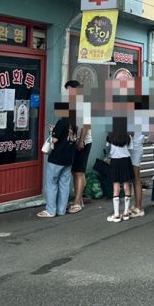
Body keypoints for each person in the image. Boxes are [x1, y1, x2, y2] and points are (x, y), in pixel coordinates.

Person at [38, 103, 77, 218]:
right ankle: (61, 210)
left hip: (57, 159)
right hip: (68, 159)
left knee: (51, 184)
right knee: (64, 184)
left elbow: (54, 140)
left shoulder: (61, 123)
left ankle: (50, 210)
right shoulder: (74, 125)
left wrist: (52, 131)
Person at [65, 80, 92, 214]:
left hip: (84, 142)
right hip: (74, 143)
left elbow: (86, 125)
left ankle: (77, 202)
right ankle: (78, 198)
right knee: (74, 171)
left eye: (70, 89)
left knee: (79, 172)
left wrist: (81, 141)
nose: (68, 92)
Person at [106, 116, 134, 223]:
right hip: (126, 161)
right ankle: (126, 213)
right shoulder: (128, 137)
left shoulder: (110, 136)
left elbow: (109, 148)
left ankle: (117, 215)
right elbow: (131, 148)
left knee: (116, 186)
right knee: (126, 184)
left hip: (115, 162)